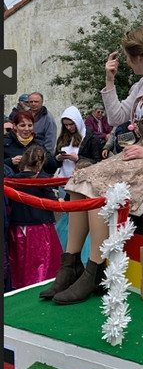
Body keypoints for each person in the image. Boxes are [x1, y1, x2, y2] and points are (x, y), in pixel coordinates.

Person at [39, 26, 143, 305]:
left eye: (127, 57)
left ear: (137, 57)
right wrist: (109, 80)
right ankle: (71, 265)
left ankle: (95, 268)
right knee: (81, 178)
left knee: (97, 185)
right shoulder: (142, 85)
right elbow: (116, 117)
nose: (125, 62)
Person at [6, 144, 63, 290]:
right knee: (41, 261)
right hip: (39, 227)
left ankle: (20, 285)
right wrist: (59, 202)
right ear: (41, 163)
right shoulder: (42, 180)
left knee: (20, 260)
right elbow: (51, 202)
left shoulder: (12, 180)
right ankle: (41, 286)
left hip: (17, 226)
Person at [4, 110, 58, 177]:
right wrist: (10, 161)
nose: (27, 129)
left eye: (30, 125)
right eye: (22, 125)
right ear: (15, 126)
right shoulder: (5, 143)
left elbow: (52, 168)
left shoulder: (39, 144)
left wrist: (43, 159)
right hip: (12, 184)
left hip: (35, 185)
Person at [55, 106, 86, 181]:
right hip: (63, 179)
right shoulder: (62, 137)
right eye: (66, 125)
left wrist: (78, 159)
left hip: (81, 180)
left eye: (71, 124)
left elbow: (95, 160)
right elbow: (54, 159)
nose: (68, 127)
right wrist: (58, 158)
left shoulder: (88, 137)